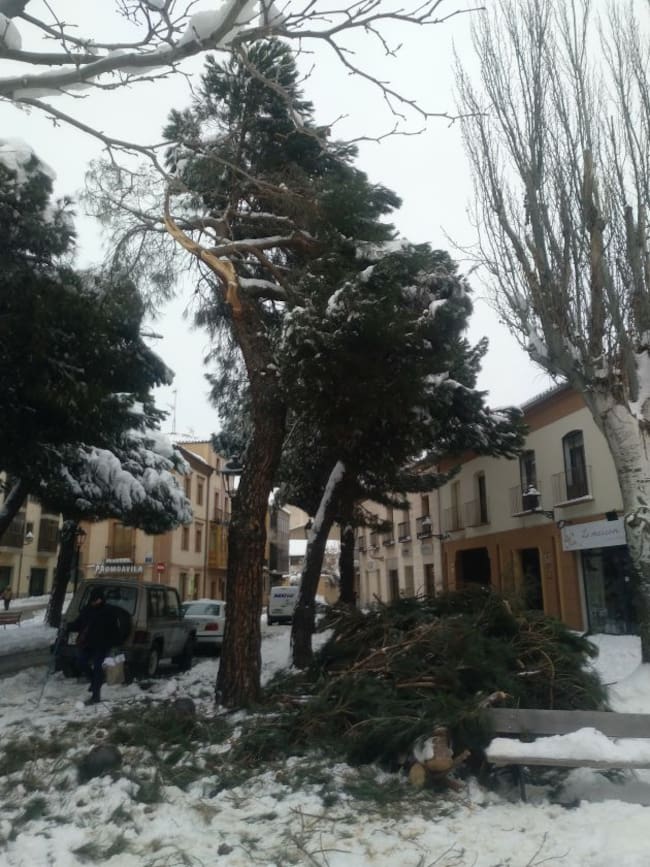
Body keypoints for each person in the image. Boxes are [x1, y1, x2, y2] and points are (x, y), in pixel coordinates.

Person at [67, 587, 128, 705]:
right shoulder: (87, 610)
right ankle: (94, 681)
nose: (95, 602)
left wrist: (116, 642)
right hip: (88, 644)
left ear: (101, 599)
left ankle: (96, 695)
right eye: (93, 600)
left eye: (97, 600)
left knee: (97, 668)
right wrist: (68, 627)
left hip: (102, 645)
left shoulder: (108, 611)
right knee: (80, 663)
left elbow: (114, 629)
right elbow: (78, 623)